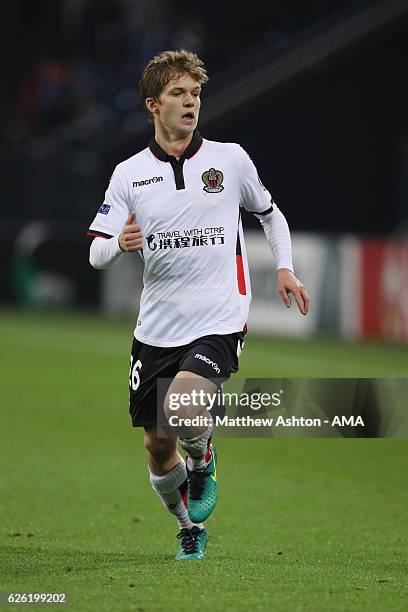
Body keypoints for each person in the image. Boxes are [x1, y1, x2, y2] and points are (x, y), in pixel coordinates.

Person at [87, 49, 309, 560]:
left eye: (196, 94)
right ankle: (188, 526)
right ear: (152, 104)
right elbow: (96, 252)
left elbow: (271, 215)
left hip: (220, 314)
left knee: (184, 406)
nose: (190, 104)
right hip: (157, 327)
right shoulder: (128, 175)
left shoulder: (229, 159)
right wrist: (118, 244)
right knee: (157, 448)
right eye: (178, 95)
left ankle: (204, 455)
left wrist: (284, 267)